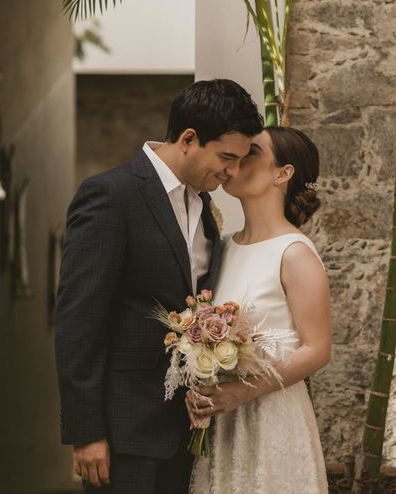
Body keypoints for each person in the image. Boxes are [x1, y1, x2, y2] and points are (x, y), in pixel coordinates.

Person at [54, 79, 264, 493]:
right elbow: (78, 319)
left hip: (186, 430)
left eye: (239, 161)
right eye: (226, 157)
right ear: (188, 139)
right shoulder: (110, 195)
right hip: (122, 432)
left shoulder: (203, 206)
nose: (232, 172)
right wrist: (87, 432)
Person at [187, 127, 332, 494]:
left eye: (251, 153)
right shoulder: (223, 247)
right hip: (223, 423)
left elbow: (317, 350)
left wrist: (245, 392)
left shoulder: (295, 252)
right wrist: (197, 383)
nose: (236, 161)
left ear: (282, 173)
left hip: (272, 418)